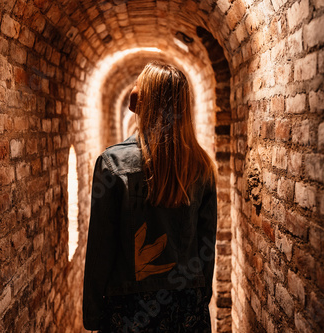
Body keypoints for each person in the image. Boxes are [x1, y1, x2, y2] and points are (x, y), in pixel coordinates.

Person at [83, 61, 218, 332]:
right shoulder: (201, 165)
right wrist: (200, 299)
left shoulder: (112, 163)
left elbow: (101, 247)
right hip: (186, 306)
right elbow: (206, 244)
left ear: (140, 100)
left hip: (128, 308)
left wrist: (93, 315)